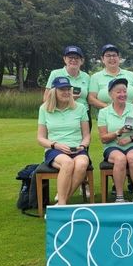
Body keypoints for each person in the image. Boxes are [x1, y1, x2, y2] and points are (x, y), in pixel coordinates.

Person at [37, 76, 90, 206]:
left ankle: (62, 203)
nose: (66, 92)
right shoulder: (44, 109)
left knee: (82, 164)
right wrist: (55, 145)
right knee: (67, 163)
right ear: (54, 91)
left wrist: (82, 146)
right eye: (62, 90)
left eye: (68, 89)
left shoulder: (80, 107)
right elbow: (40, 138)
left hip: (77, 149)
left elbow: (87, 135)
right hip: (55, 150)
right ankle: (62, 204)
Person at [97, 78, 133, 202]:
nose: (123, 94)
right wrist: (118, 133)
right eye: (118, 92)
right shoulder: (104, 112)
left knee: (132, 157)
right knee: (120, 159)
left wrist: (131, 138)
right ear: (110, 94)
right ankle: (119, 197)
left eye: (124, 91)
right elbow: (103, 138)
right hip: (112, 146)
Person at [43, 46, 91, 125]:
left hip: (83, 114)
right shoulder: (55, 74)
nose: (73, 60)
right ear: (65, 59)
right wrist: (70, 99)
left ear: (82, 61)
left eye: (76, 58)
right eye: (70, 57)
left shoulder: (86, 77)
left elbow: (89, 99)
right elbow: (46, 98)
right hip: (61, 113)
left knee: (85, 136)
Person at [88, 44, 133, 110]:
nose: (112, 58)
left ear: (119, 58)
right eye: (108, 55)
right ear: (102, 59)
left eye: (114, 55)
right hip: (107, 117)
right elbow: (91, 99)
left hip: (130, 116)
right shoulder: (95, 77)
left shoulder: (130, 74)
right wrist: (110, 109)